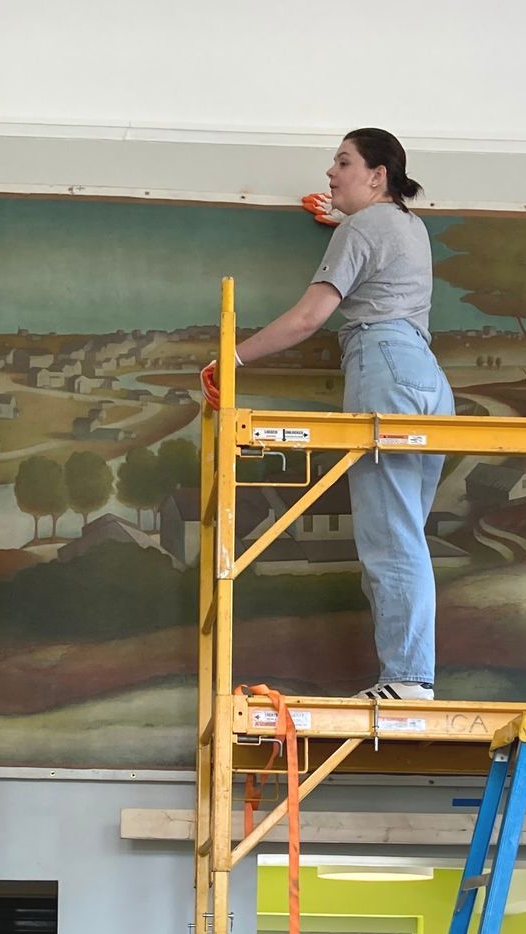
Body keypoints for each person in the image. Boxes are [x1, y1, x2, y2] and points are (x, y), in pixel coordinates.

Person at [204, 127, 453, 702]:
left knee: (389, 538)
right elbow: (376, 262)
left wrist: (231, 359)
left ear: (378, 175)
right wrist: (343, 220)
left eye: (343, 162)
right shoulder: (408, 226)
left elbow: (308, 317)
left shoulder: (366, 226)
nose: (330, 173)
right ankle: (411, 674)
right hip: (424, 376)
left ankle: (408, 679)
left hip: (383, 366)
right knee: (405, 535)